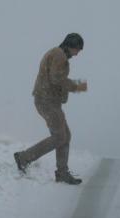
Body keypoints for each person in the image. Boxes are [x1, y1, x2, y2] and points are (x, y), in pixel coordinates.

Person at [13, 33, 88, 185]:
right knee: (60, 136)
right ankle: (24, 158)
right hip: (46, 101)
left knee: (65, 135)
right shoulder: (59, 55)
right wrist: (76, 86)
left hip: (48, 100)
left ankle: (62, 172)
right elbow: (56, 78)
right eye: (78, 49)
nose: (78, 53)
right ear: (70, 45)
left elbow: (56, 78)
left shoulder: (58, 54)